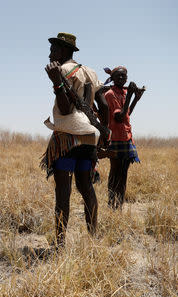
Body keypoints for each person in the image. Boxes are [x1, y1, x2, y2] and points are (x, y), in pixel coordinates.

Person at [42, 33, 108, 247]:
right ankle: (93, 238)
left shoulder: (61, 71)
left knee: (63, 191)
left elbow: (64, 108)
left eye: (53, 50)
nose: (50, 54)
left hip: (67, 139)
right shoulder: (90, 72)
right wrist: (103, 136)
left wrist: (56, 82)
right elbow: (104, 107)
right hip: (89, 138)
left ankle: (60, 244)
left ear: (63, 51)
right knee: (86, 186)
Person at [103, 66, 143, 209]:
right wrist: (131, 95)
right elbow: (119, 118)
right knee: (115, 172)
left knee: (123, 174)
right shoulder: (110, 94)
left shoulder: (124, 93)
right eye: (118, 76)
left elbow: (127, 113)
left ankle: (118, 206)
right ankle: (110, 203)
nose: (122, 78)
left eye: (124, 76)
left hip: (126, 137)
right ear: (112, 79)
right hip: (115, 138)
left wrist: (135, 99)